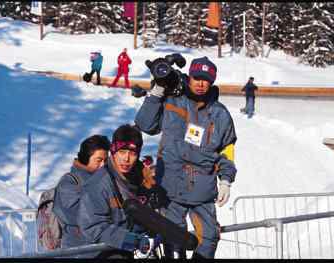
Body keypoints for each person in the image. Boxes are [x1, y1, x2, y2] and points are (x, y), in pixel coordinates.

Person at [135, 56, 237, 258]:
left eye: (206, 79)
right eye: (197, 77)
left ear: (212, 82)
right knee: (173, 241)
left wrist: (226, 180)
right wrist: (157, 92)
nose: (200, 83)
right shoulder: (172, 102)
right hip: (169, 188)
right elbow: (145, 124)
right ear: (189, 77)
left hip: (203, 191)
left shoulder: (220, 114)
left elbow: (227, 150)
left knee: (209, 237)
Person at [76, 124, 156, 259]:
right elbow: (93, 228)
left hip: (134, 248)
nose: (126, 159)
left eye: (132, 153)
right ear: (113, 151)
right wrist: (132, 240)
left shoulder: (143, 181)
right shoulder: (98, 185)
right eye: (122, 152)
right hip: (101, 252)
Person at [52, 134, 110, 251]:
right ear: (85, 158)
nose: (103, 165)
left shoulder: (106, 179)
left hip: (101, 247)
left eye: (106, 160)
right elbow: (79, 215)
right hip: (78, 250)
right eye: (98, 160)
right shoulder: (69, 182)